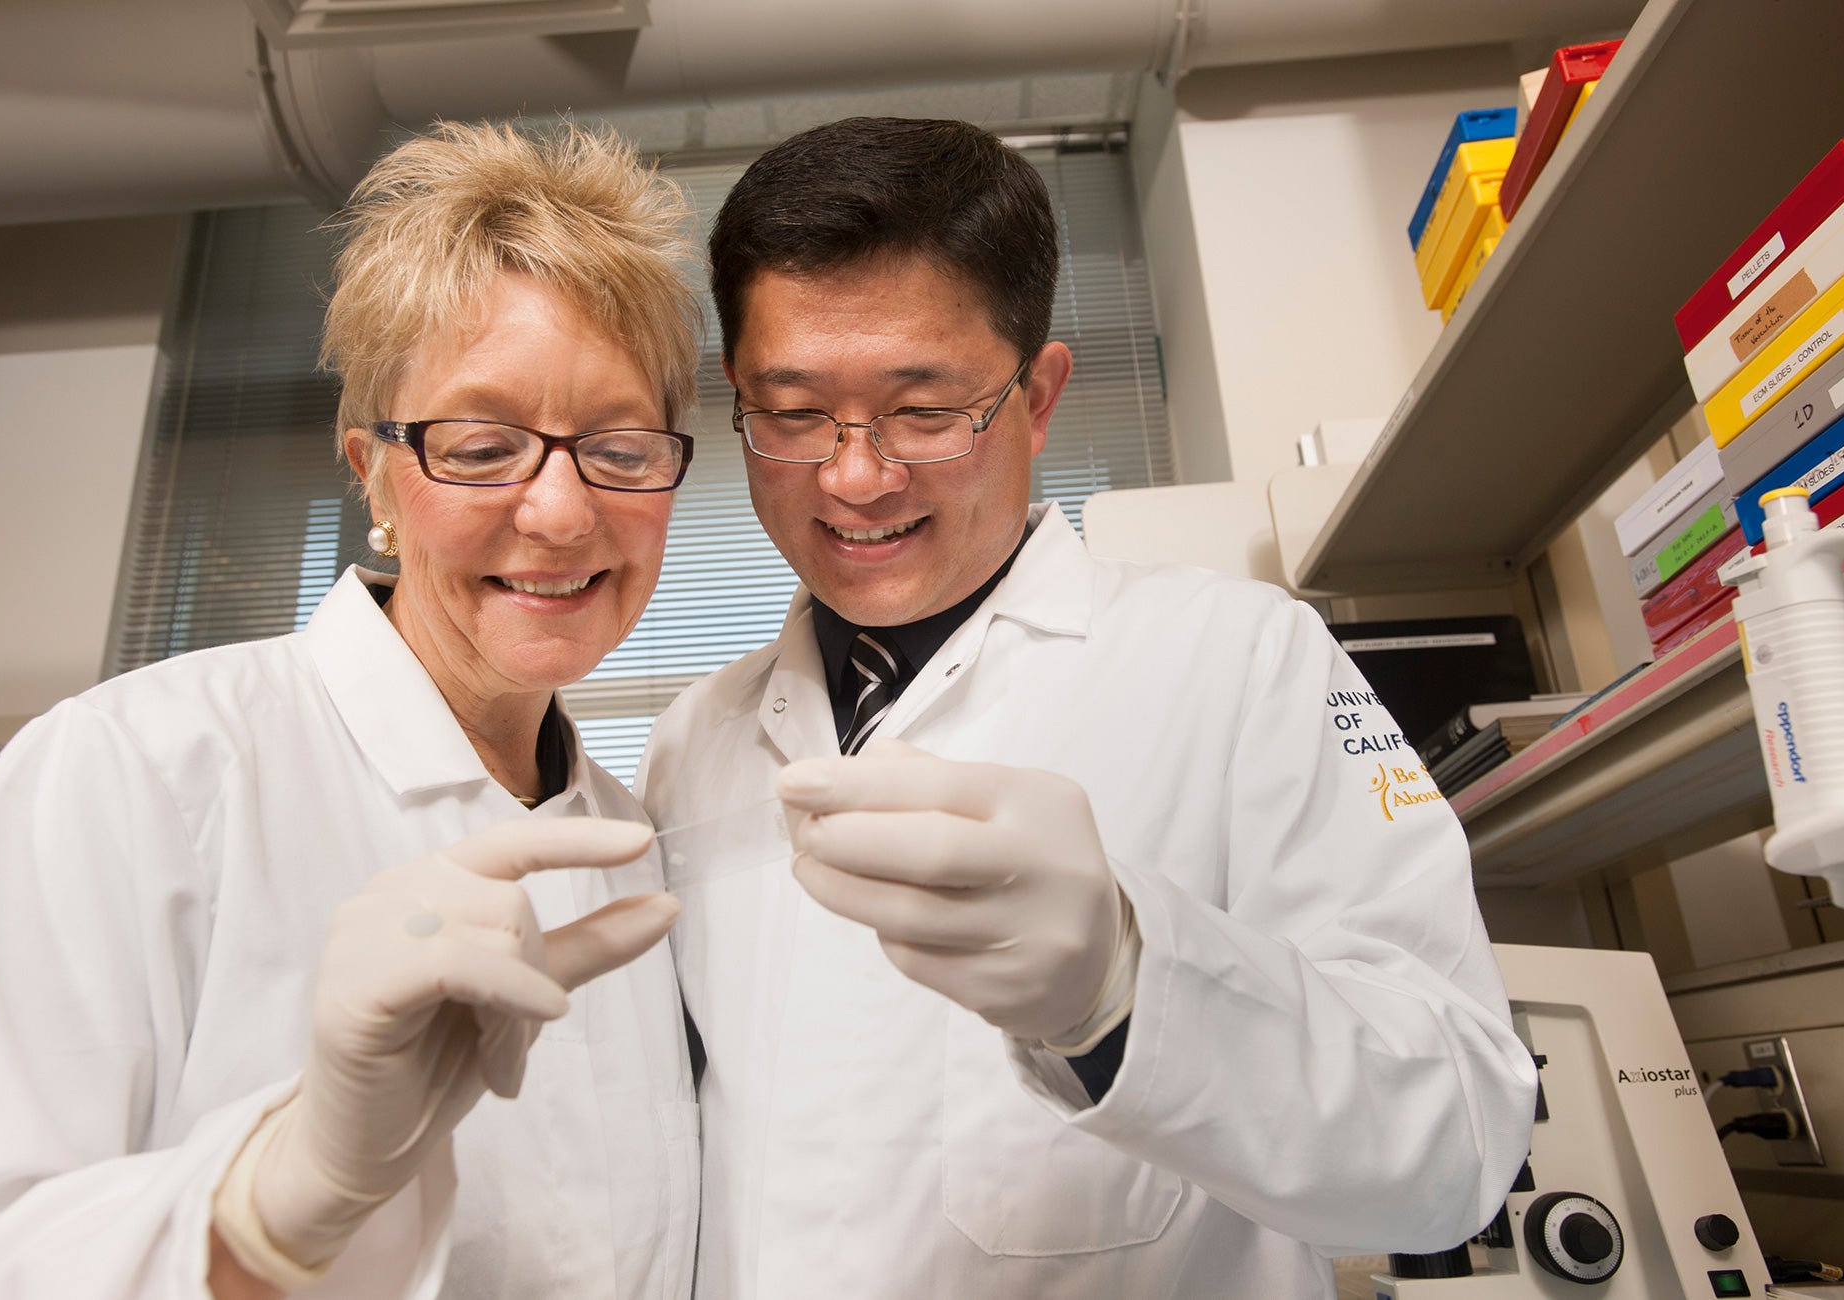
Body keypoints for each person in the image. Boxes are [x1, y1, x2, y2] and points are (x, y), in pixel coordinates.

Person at [638, 116, 1540, 1299]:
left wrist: (1125, 985)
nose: (854, 476)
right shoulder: (690, 743)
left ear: (1039, 394)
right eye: (794, 414)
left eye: (922, 409)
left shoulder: (1242, 659)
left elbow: (1458, 1140)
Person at [0, 121, 705, 1299]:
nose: (558, 512)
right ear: (372, 470)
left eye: (620, 448)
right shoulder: (137, 769)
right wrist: (268, 1209)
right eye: (481, 447)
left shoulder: (634, 851)